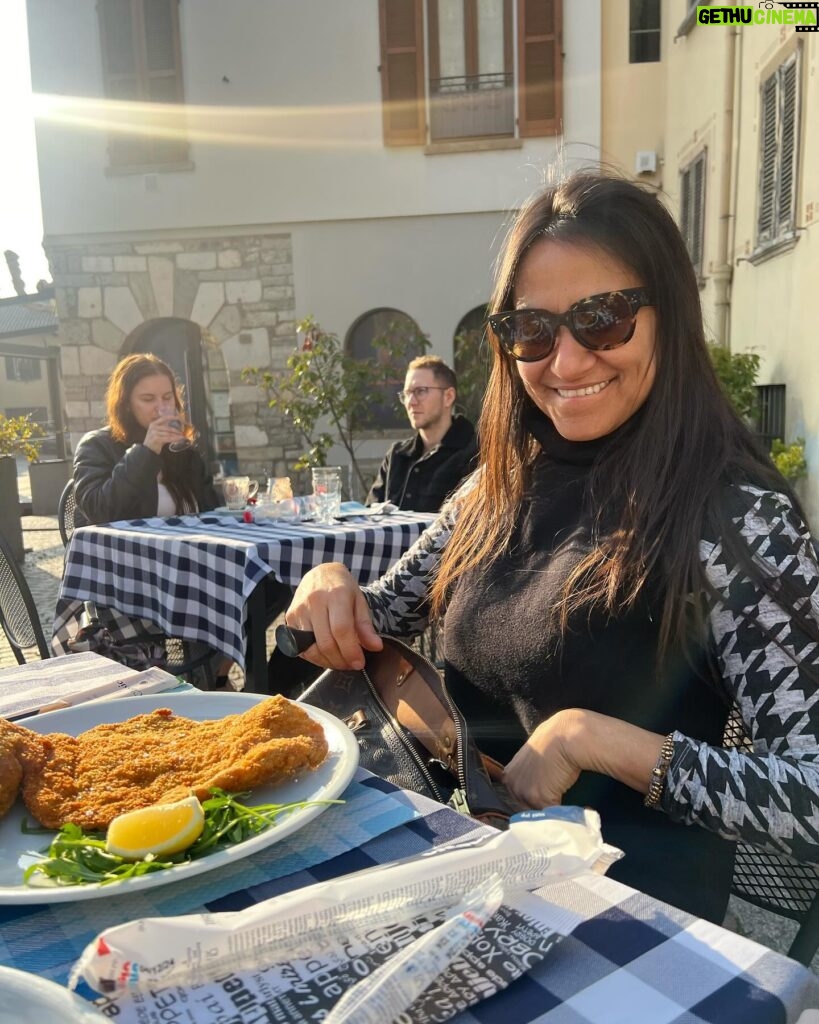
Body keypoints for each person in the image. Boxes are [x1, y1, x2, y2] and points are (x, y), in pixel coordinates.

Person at [282, 171, 819, 925]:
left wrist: (591, 739)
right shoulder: (491, 490)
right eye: (532, 330)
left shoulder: (736, 519)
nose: (564, 363)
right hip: (455, 878)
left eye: (602, 319)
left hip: (622, 928)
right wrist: (329, 582)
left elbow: (809, 801)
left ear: (669, 317)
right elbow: (365, 621)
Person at [73, 352, 218, 526]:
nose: (161, 407)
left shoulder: (181, 450)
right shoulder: (96, 445)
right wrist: (147, 451)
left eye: (167, 397)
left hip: (184, 548)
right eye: (148, 399)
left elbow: (210, 507)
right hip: (125, 550)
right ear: (126, 404)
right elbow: (100, 511)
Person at [366, 355, 478, 512]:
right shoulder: (396, 455)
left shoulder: (475, 453)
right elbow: (370, 516)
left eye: (420, 391)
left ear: (448, 397)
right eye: (407, 393)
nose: (411, 402)